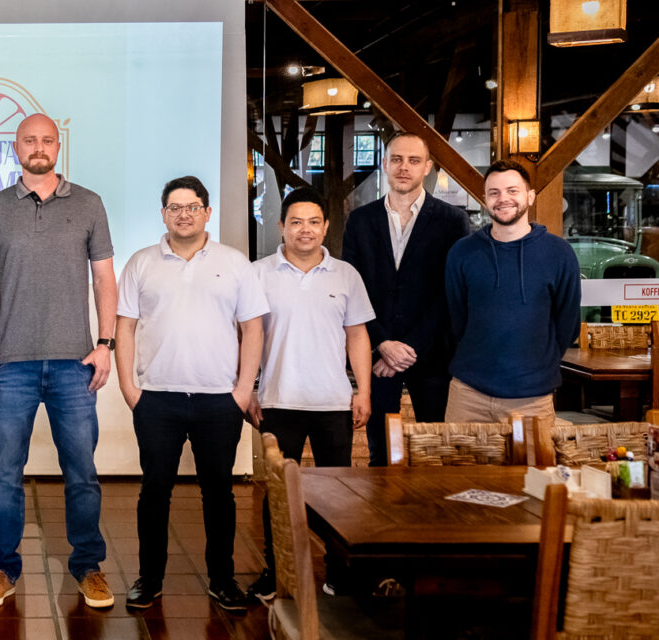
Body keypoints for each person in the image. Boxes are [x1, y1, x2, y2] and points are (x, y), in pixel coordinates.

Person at [0, 114, 117, 609]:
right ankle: (1, 569)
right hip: (8, 364)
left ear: (59, 146)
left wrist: (107, 343)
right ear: (15, 148)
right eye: (29, 140)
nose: (39, 147)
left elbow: (104, 280)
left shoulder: (89, 204)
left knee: (82, 471)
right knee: (5, 474)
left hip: (74, 363)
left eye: (47, 140)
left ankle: (89, 567)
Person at [115, 176, 267, 612]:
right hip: (156, 398)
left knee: (218, 492)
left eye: (193, 206)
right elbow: (124, 327)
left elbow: (252, 328)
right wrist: (130, 388)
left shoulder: (235, 263)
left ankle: (223, 580)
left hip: (220, 399)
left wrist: (242, 391)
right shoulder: (142, 263)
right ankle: (149, 579)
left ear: (207, 213)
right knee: (154, 490)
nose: (184, 213)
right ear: (163, 214)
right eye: (176, 207)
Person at [246, 187, 375, 601]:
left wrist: (363, 392)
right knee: (278, 494)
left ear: (326, 226)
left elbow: (357, 335)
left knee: (337, 495)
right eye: (296, 222)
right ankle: (275, 572)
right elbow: (243, 337)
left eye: (314, 222)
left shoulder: (346, 275)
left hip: (333, 403)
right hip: (277, 401)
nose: (305, 230)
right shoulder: (257, 273)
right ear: (281, 226)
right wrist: (247, 388)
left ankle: (339, 573)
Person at [341, 131, 469, 467]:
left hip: (430, 354)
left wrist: (407, 349)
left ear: (427, 167)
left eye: (413, 160)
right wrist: (383, 343)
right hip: (378, 353)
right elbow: (354, 289)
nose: (404, 167)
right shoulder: (360, 220)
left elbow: (448, 292)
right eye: (396, 159)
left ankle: (433, 519)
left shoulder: (452, 221)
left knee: (434, 451)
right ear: (384, 163)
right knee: (380, 454)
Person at [444, 160, 580, 425]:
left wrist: (536, 366)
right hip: (468, 395)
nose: (502, 198)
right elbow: (455, 320)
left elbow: (568, 324)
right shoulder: (462, 253)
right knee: (459, 467)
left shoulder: (559, 254)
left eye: (512, 191)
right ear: (485, 199)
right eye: (494, 192)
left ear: (530, 196)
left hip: (532, 399)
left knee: (532, 469)